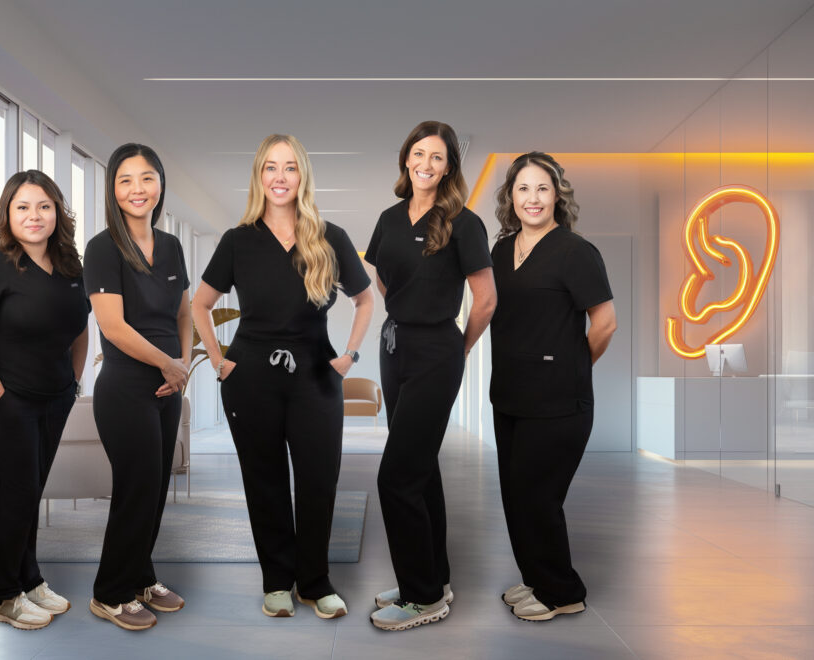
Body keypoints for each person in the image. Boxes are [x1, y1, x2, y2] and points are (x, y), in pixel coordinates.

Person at [192, 134, 373, 620]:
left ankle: (315, 582)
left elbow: (365, 298)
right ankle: (276, 581)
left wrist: (350, 355)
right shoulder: (238, 240)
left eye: (289, 167)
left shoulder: (329, 236)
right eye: (270, 167)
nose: (279, 177)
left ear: (302, 177)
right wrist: (216, 358)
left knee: (319, 480)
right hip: (251, 375)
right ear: (259, 176)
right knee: (264, 480)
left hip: (316, 373)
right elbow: (200, 304)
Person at [364, 121, 496, 631]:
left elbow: (485, 300)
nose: (426, 164)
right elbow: (381, 272)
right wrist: (402, 309)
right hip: (394, 347)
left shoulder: (464, 223)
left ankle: (422, 599)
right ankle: (433, 577)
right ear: (406, 159)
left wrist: (456, 348)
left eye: (437, 157)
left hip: (437, 351)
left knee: (396, 476)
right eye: (418, 153)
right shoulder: (389, 218)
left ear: (449, 167)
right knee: (420, 469)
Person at [0, 170, 89, 630]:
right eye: (23, 207)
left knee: (30, 494)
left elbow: (79, 330)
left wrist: (72, 388)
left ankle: (29, 580)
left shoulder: (71, 267)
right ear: (7, 215)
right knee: (10, 496)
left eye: (44, 206)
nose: (34, 216)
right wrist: (1, 399)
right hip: (5, 400)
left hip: (54, 399)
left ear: (57, 213)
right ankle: (0, 597)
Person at [490, 152, 617, 621]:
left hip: (560, 401)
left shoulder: (575, 251)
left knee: (538, 497)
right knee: (515, 495)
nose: (533, 198)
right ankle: (537, 579)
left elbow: (605, 322)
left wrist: (573, 367)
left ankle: (562, 592)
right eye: (523, 189)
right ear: (511, 197)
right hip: (509, 395)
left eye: (542, 188)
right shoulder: (502, 251)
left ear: (557, 195)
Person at [82, 143, 192, 631]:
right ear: (113, 189)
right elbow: (114, 328)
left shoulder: (170, 246)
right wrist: (170, 364)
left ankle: (141, 576)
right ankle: (109, 592)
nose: (137, 189)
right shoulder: (103, 249)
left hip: (170, 385)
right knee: (136, 487)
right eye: (126, 180)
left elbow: (185, 312)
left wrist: (183, 365)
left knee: (156, 486)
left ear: (160, 186)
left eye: (147, 178)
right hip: (126, 387)